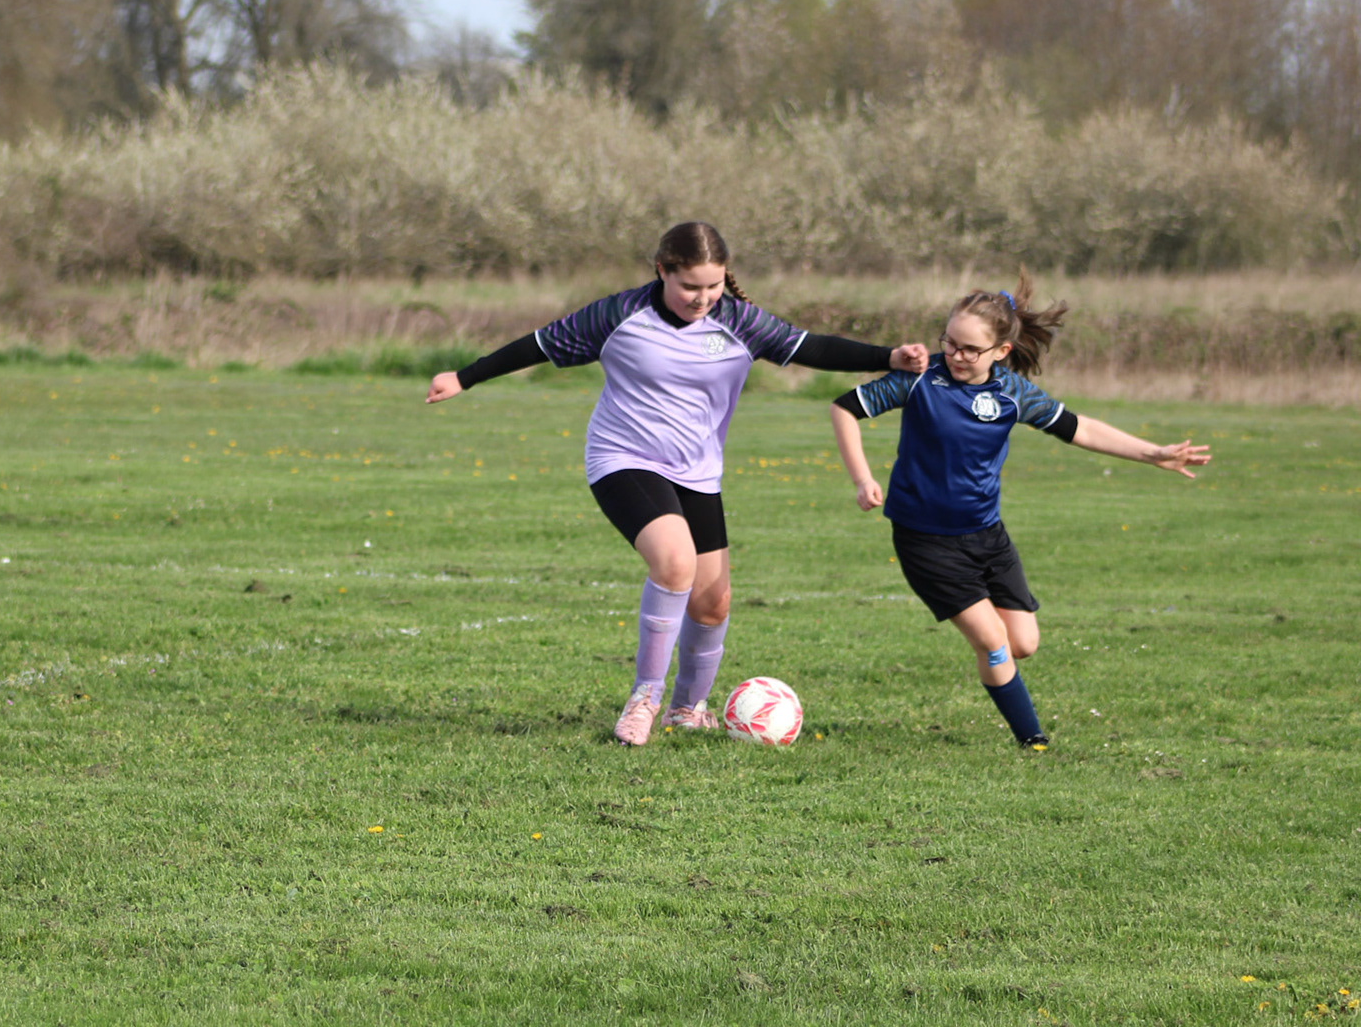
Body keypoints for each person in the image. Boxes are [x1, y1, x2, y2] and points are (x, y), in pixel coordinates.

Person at [426, 221, 927, 746]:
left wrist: (886, 357)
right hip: (624, 459)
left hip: (698, 472)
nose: (702, 298)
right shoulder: (618, 315)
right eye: (690, 286)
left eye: (713, 285)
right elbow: (539, 345)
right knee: (674, 562)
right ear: (662, 271)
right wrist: (464, 377)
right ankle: (644, 698)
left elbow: (811, 347)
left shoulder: (741, 322)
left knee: (713, 603)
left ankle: (687, 709)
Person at [828, 274, 1210, 750]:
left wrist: (1154, 453)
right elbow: (844, 408)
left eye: (971, 349)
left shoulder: (1013, 393)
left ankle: (1003, 678)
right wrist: (862, 478)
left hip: (987, 537)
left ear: (1001, 351)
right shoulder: (920, 377)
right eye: (950, 342)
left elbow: (1081, 428)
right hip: (925, 539)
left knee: (1023, 643)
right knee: (992, 641)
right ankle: (1032, 740)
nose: (956, 355)